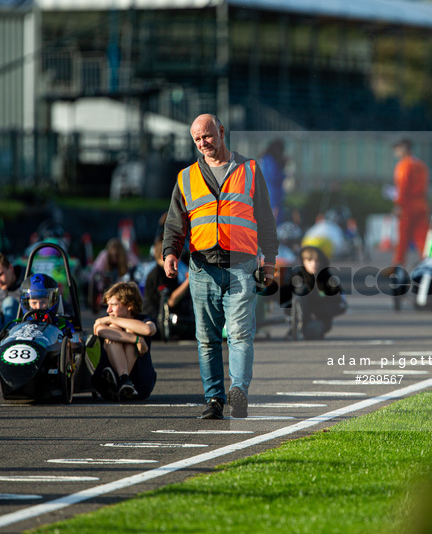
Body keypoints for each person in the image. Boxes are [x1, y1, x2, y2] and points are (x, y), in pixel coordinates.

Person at [162, 113, 278, 420]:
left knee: (240, 333)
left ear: (222, 132)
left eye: (208, 136)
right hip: (202, 269)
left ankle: (238, 391)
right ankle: (214, 399)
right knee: (207, 338)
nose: (203, 143)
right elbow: (176, 223)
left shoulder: (250, 169)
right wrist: (169, 254)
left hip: (242, 266)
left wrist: (271, 260)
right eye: (197, 139)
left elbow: (265, 219)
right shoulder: (186, 177)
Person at [91, 281, 157, 401]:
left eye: (114, 305)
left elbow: (148, 329)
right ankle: (124, 380)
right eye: (108, 306)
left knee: (131, 330)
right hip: (107, 385)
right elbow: (99, 330)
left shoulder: (144, 319)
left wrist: (113, 320)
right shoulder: (108, 322)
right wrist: (136, 339)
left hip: (140, 384)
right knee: (114, 330)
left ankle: (123, 381)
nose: (108, 311)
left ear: (129, 305)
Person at [287, 244, 347, 340]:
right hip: (298, 318)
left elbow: (342, 304)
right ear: (303, 262)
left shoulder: (328, 279)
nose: (314, 264)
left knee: (311, 331)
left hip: (319, 319)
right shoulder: (296, 278)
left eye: (317, 261)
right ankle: (296, 328)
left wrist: (319, 313)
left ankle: (307, 329)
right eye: (309, 261)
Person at [142, 237, 192, 339]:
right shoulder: (157, 274)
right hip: (157, 321)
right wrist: (189, 280)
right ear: (163, 255)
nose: (179, 257)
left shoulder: (168, 273)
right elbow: (170, 301)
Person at [391, 138, 430, 268]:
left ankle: (398, 264)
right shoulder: (420, 164)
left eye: (397, 148)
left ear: (403, 148)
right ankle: (429, 261)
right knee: (422, 236)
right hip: (421, 203)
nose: (395, 152)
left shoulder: (404, 165)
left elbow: (403, 187)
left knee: (403, 237)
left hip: (408, 205)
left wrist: (399, 205)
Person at [260, 139, 288, 224]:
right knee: (275, 215)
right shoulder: (269, 160)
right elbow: (274, 177)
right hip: (272, 193)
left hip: (269, 192)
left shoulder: (265, 159)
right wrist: (284, 174)